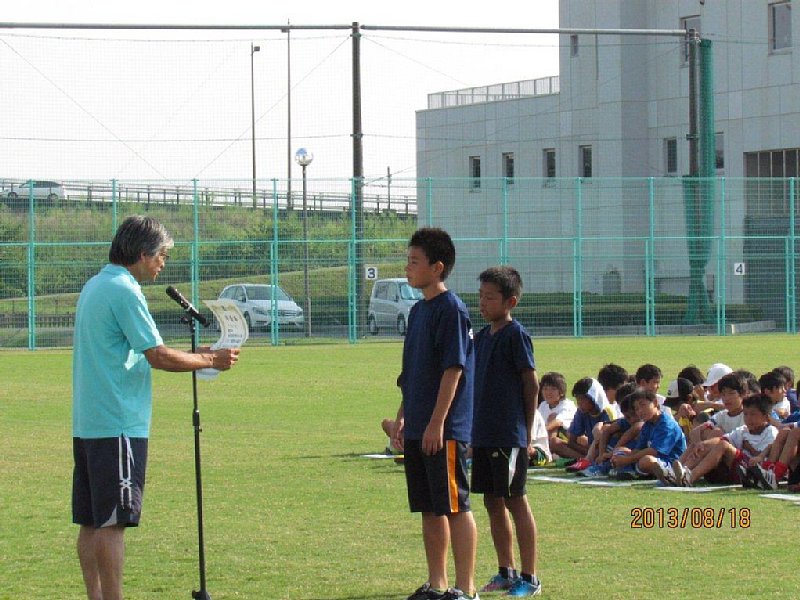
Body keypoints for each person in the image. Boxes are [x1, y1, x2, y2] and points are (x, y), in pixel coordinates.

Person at [72, 215, 240, 600]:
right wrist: (210, 360)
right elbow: (158, 356)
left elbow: (136, 349)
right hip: (118, 423)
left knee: (91, 521)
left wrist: (198, 354)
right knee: (112, 523)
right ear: (142, 254)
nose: (163, 263)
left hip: (89, 422)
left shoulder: (95, 285)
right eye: (162, 255)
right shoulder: (125, 291)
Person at [390, 228, 479, 600]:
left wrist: (437, 422)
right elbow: (412, 372)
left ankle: (466, 588)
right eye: (408, 260)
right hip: (419, 426)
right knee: (429, 507)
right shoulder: (418, 311)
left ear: (437, 267)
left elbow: (453, 370)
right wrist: (403, 416)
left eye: (415, 261)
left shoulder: (451, 309)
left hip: (444, 429)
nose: (408, 268)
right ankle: (437, 583)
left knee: (455, 506)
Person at [470, 266, 542, 597]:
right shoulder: (481, 337)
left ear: (510, 302)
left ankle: (530, 577)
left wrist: (526, 432)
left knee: (515, 500)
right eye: (480, 296)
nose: (482, 303)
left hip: (508, 435)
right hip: (484, 434)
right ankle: (505, 571)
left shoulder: (516, 335)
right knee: (492, 501)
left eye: (490, 297)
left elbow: (531, 384)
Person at [668, 395, 777, 487]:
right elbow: (722, 439)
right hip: (735, 468)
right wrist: (703, 444)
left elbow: (764, 458)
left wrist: (748, 447)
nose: (748, 418)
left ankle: (690, 477)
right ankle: (678, 473)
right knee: (703, 444)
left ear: (766, 417)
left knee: (723, 444)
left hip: (752, 471)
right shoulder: (743, 430)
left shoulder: (770, 432)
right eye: (746, 414)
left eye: (753, 414)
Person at [610, 389, 686, 482]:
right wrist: (621, 457)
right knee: (620, 451)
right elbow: (638, 449)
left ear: (655, 403)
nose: (640, 411)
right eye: (637, 409)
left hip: (671, 461)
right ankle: (630, 471)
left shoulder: (667, 424)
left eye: (643, 405)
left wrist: (627, 460)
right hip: (653, 459)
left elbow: (654, 451)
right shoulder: (648, 424)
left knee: (646, 461)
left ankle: (670, 474)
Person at [562, 378, 615, 472]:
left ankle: (588, 461)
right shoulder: (581, 412)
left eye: (582, 399)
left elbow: (608, 440)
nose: (579, 403)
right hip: (592, 449)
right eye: (577, 399)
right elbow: (571, 441)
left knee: (598, 430)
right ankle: (588, 459)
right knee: (556, 443)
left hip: (609, 450)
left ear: (593, 397)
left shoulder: (608, 412)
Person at [537, 372, 577, 459]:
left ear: (561, 392)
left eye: (553, 389)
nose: (548, 392)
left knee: (554, 427)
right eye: (545, 389)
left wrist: (538, 433)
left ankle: (583, 459)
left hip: (570, 440)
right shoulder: (543, 405)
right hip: (549, 438)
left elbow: (558, 422)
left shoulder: (567, 405)